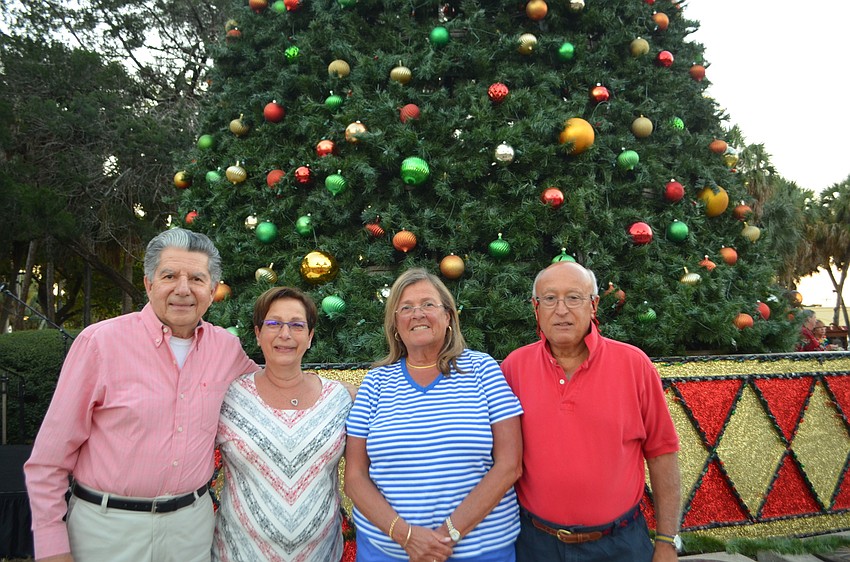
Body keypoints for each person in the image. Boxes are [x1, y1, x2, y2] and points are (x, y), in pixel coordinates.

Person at [24, 228, 258, 562]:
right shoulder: (100, 344)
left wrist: (344, 387)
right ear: (149, 284)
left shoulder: (226, 349)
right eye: (169, 276)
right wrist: (52, 548)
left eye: (196, 278)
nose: (182, 289)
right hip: (105, 532)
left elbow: (271, 386)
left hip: (191, 530)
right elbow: (48, 461)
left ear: (212, 289)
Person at [500, 261, 681, 562]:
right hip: (535, 545)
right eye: (549, 299)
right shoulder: (513, 369)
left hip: (620, 546)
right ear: (536, 308)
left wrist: (666, 541)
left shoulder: (634, 365)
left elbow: (662, 452)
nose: (561, 310)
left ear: (594, 305)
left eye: (574, 297)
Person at [345, 268, 523, 562]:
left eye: (428, 304)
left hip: (479, 552)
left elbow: (509, 464)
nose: (418, 314)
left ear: (448, 317)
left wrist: (447, 534)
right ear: (395, 326)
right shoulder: (375, 383)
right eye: (406, 308)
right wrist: (408, 537)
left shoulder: (482, 370)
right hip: (388, 552)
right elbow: (354, 478)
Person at [213, 286, 356, 561]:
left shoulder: (340, 398)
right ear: (257, 333)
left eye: (297, 325)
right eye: (274, 323)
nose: (285, 334)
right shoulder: (229, 397)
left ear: (311, 336)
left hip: (322, 554)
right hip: (238, 553)